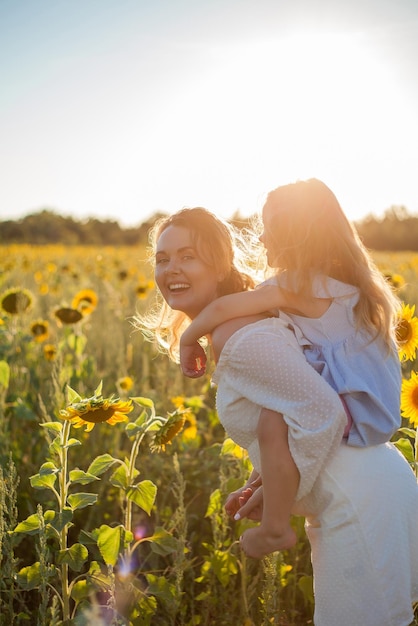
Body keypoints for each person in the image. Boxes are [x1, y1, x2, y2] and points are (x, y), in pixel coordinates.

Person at [137, 205, 418, 626]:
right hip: (362, 489)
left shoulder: (239, 335)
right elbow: (291, 422)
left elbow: (324, 414)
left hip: (357, 500)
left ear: (220, 266)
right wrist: (266, 484)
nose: (171, 268)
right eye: (163, 259)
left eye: (188, 256)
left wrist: (276, 511)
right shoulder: (241, 325)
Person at [178, 178, 403, 556]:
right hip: (370, 413)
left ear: (292, 235)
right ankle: (267, 497)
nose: (262, 238)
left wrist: (189, 340)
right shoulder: (344, 286)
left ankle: (275, 529)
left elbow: (221, 309)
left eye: (268, 227)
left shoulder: (297, 285)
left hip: (353, 411)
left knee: (273, 419)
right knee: (279, 423)